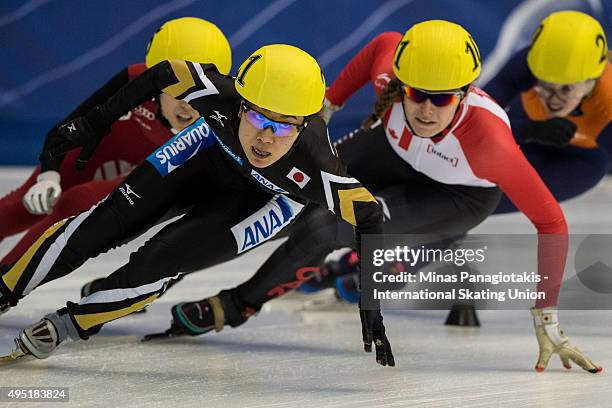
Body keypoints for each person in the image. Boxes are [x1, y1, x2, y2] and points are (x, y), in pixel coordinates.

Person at [153, 20, 602, 374]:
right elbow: (383, 41)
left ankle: (235, 306)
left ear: (464, 94)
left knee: (324, 225)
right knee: (279, 197)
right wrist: (326, 107)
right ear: (399, 83)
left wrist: (546, 317)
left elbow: (551, 223)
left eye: (441, 99)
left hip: (454, 195)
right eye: (416, 94)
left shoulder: (490, 145)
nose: (426, 109)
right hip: (392, 148)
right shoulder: (390, 77)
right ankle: (165, 267)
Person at [0, 44, 394, 367]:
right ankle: (5, 288)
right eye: (258, 117)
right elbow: (159, 73)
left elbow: (370, 218)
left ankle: (68, 326)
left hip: (267, 199)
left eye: (284, 125)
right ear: (240, 103)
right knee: (101, 224)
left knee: (158, 263)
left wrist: (370, 303)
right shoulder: (218, 93)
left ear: (303, 126)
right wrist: (97, 122)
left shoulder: (318, 168)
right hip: (207, 154)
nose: (266, 138)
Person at [0, 17, 231, 266]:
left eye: (198, 93)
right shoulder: (135, 80)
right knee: (21, 208)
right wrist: (48, 175)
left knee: (75, 203)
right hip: (100, 152)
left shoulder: (226, 115)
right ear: (154, 80)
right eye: (176, 91)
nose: (187, 104)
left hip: (147, 175)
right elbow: (69, 127)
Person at [484, 10, 611, 212]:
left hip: (581, 160)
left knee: (484, 203)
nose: (552, 100)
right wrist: (529, 130)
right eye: (544, 84)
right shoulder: (526, 63)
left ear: (591, 82)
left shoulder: (608, 105)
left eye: (566, 88)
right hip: (527, 127)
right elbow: (474, 119)